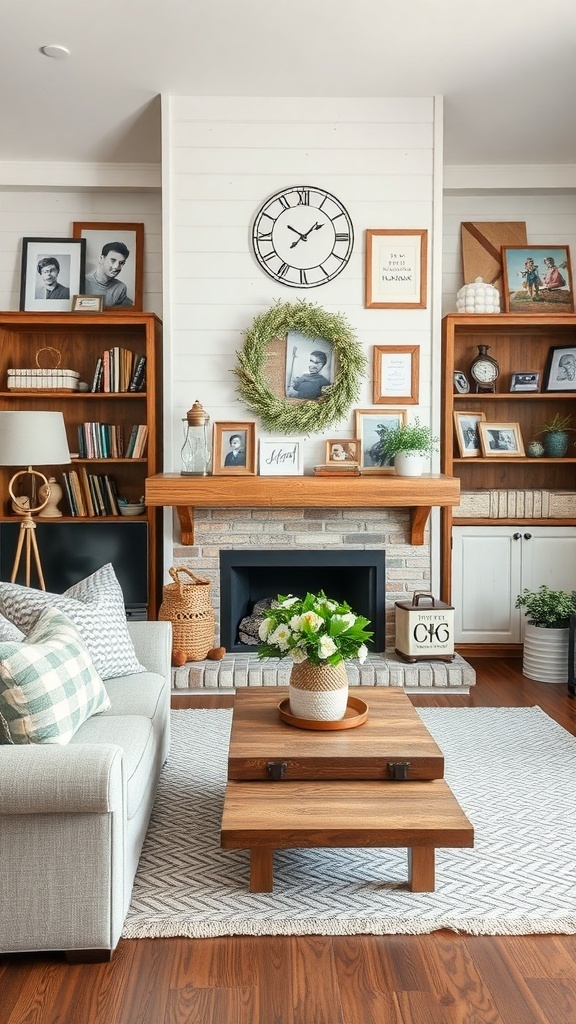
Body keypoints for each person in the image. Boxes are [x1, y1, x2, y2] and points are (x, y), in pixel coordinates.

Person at [84, 241, 133, 307]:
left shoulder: (120, 288)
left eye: (121, 263)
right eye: (113, 260)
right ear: (101, 259)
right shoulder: (84, 281)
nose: (116, 267)